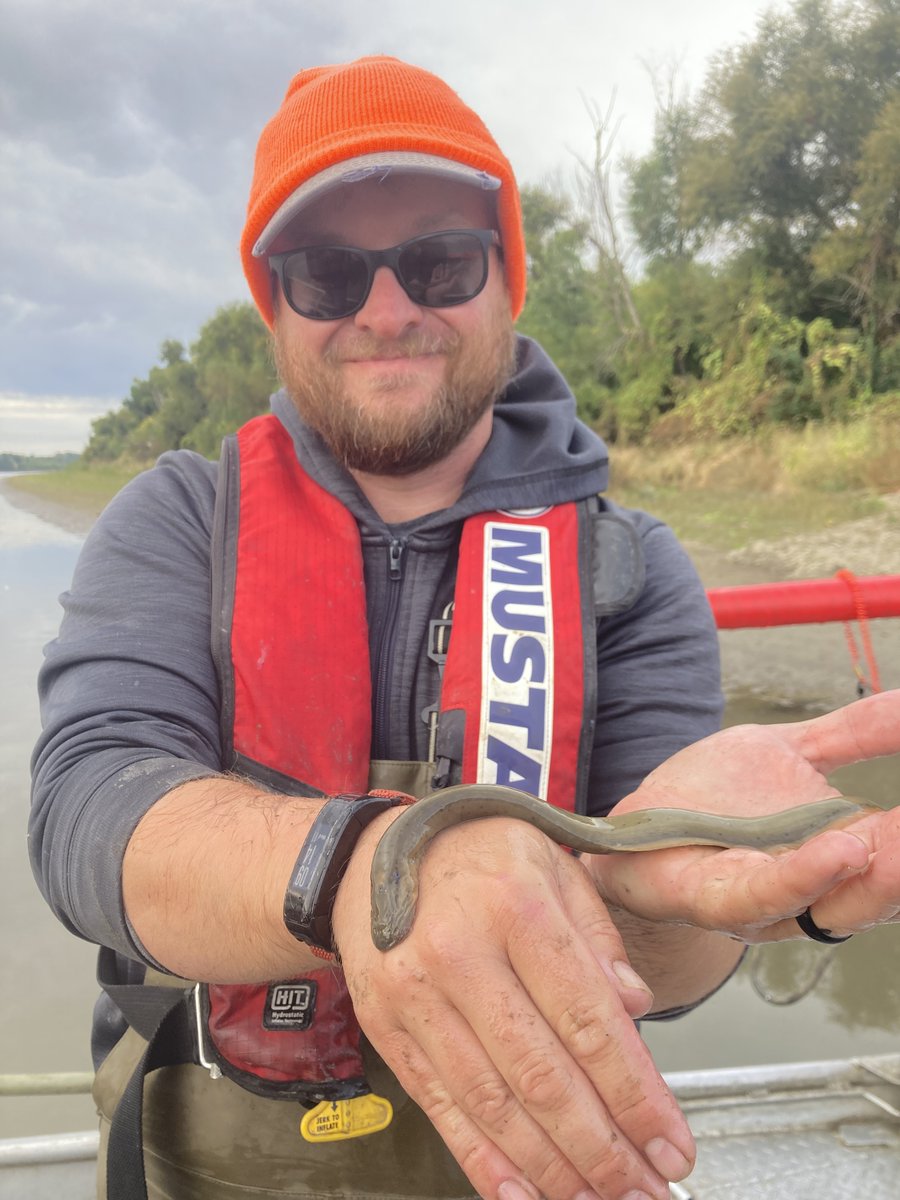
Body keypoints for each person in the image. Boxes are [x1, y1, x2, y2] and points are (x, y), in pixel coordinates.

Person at [29, 54, 900, 1200]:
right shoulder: (177, 518)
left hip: (521, 1154)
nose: (388, 313)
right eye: (329, 274)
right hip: (201, 1148)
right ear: (274, 306)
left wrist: (692, 896)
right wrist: (371, 860)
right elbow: (88, 806)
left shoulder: (629, 566)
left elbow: (671, 968)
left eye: (439, 262)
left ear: (506, 280)